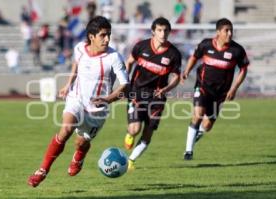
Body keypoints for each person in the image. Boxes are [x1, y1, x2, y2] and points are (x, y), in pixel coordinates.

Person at [28, 16, 129, 187]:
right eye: (103, 35)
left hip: (97, 111)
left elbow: (125, 85)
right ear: (91, 36)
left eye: (108, 35)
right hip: (76, 99)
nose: (107, 39)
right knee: (66, 129)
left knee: (81, 142)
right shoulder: (80, 48)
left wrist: (108, 99)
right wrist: (68, 84)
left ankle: (80, 154)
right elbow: (77, 63)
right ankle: (42, 170)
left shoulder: (114, 57)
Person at [182, 18, 249, 160]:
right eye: (226, 30)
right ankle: (188, 151)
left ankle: (198, 132)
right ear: (218, 32)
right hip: (203, 87)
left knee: (207, 125)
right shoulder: (206, 45)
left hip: (220, 93)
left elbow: (243, 69)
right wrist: (187, 71)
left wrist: (234, 88)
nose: (230, 33)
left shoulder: (237, 50)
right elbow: (194, 57)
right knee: (197, 114)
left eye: (231, 30)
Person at [123, 17, 182, 170]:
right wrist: (125, 82)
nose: (163, 34)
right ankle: (130, 134)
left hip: (157, 98)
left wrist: (166, 89)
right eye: (160, 30)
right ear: (153, 32)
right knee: (134, 129)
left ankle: (131, 160)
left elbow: (176, 77)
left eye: (166, 31)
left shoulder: (174, 54)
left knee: (148, 133)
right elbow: (129, 61)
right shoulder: (141, 47)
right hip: (137, 93)